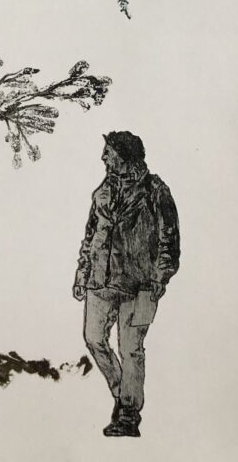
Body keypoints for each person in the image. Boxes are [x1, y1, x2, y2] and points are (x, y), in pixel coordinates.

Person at [73, 131, 180, 438]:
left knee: (131, 349)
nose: (103, 157)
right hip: (101, 281)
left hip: (140, 285)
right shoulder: (103, 190)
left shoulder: (155, 190)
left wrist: (160, 277)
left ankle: (129, 414)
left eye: (108, 152)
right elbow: (91, 236)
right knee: (93, 338)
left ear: (123, 155)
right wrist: (82, 273)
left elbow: (169, 238)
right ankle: (123, 393)